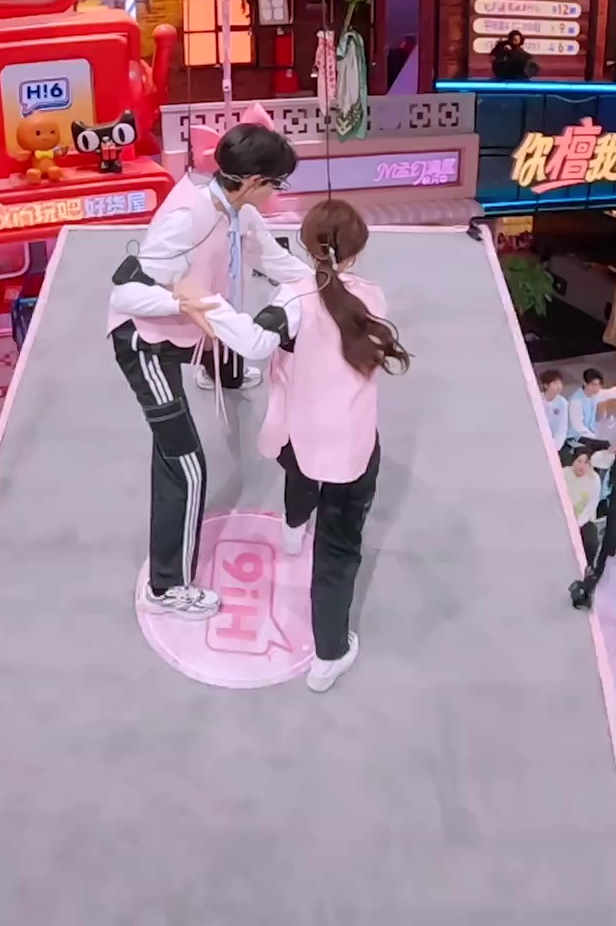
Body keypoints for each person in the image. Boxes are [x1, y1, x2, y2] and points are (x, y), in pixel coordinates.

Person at [195, 198, 411, 692]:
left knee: (300, 473)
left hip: (297, 433)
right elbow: (325, 293)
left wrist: (203, 302)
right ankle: (328, 656)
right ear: (356, 253)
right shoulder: (372, 299)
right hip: (353, 447)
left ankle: (293, 528)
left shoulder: (291, 300)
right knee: (337, 551)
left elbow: (255, 340)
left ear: (308, 246)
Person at [106, 123, 312, 618]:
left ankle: (217, 370)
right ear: (253, 180)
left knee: (225, 323)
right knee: (186, 464)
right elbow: (126, 293)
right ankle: (165, 588)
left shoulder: (240, 212)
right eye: (276, 184)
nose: (277, 194)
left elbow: (273, 260)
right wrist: (181, 301)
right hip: (146, 341)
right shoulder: (187, 217)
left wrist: (328, 286)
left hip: (188, 331)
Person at [568, 368, 616, 453]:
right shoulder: (576, 401)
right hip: (577, 437)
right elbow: (578, 427)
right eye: (593, 385)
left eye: (598, 385)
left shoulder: (594, 396)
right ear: (585, 384)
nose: (596, 388)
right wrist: (596, 437)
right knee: (607, 445)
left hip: (591, 434)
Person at [538, 369, 569, 448]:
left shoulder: (563, 403)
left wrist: (555, 446)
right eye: (555, 383)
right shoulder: (537, 399)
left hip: (554, 443)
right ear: (546, 385)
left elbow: (562, 428)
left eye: (560, 383)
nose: (559, 386)